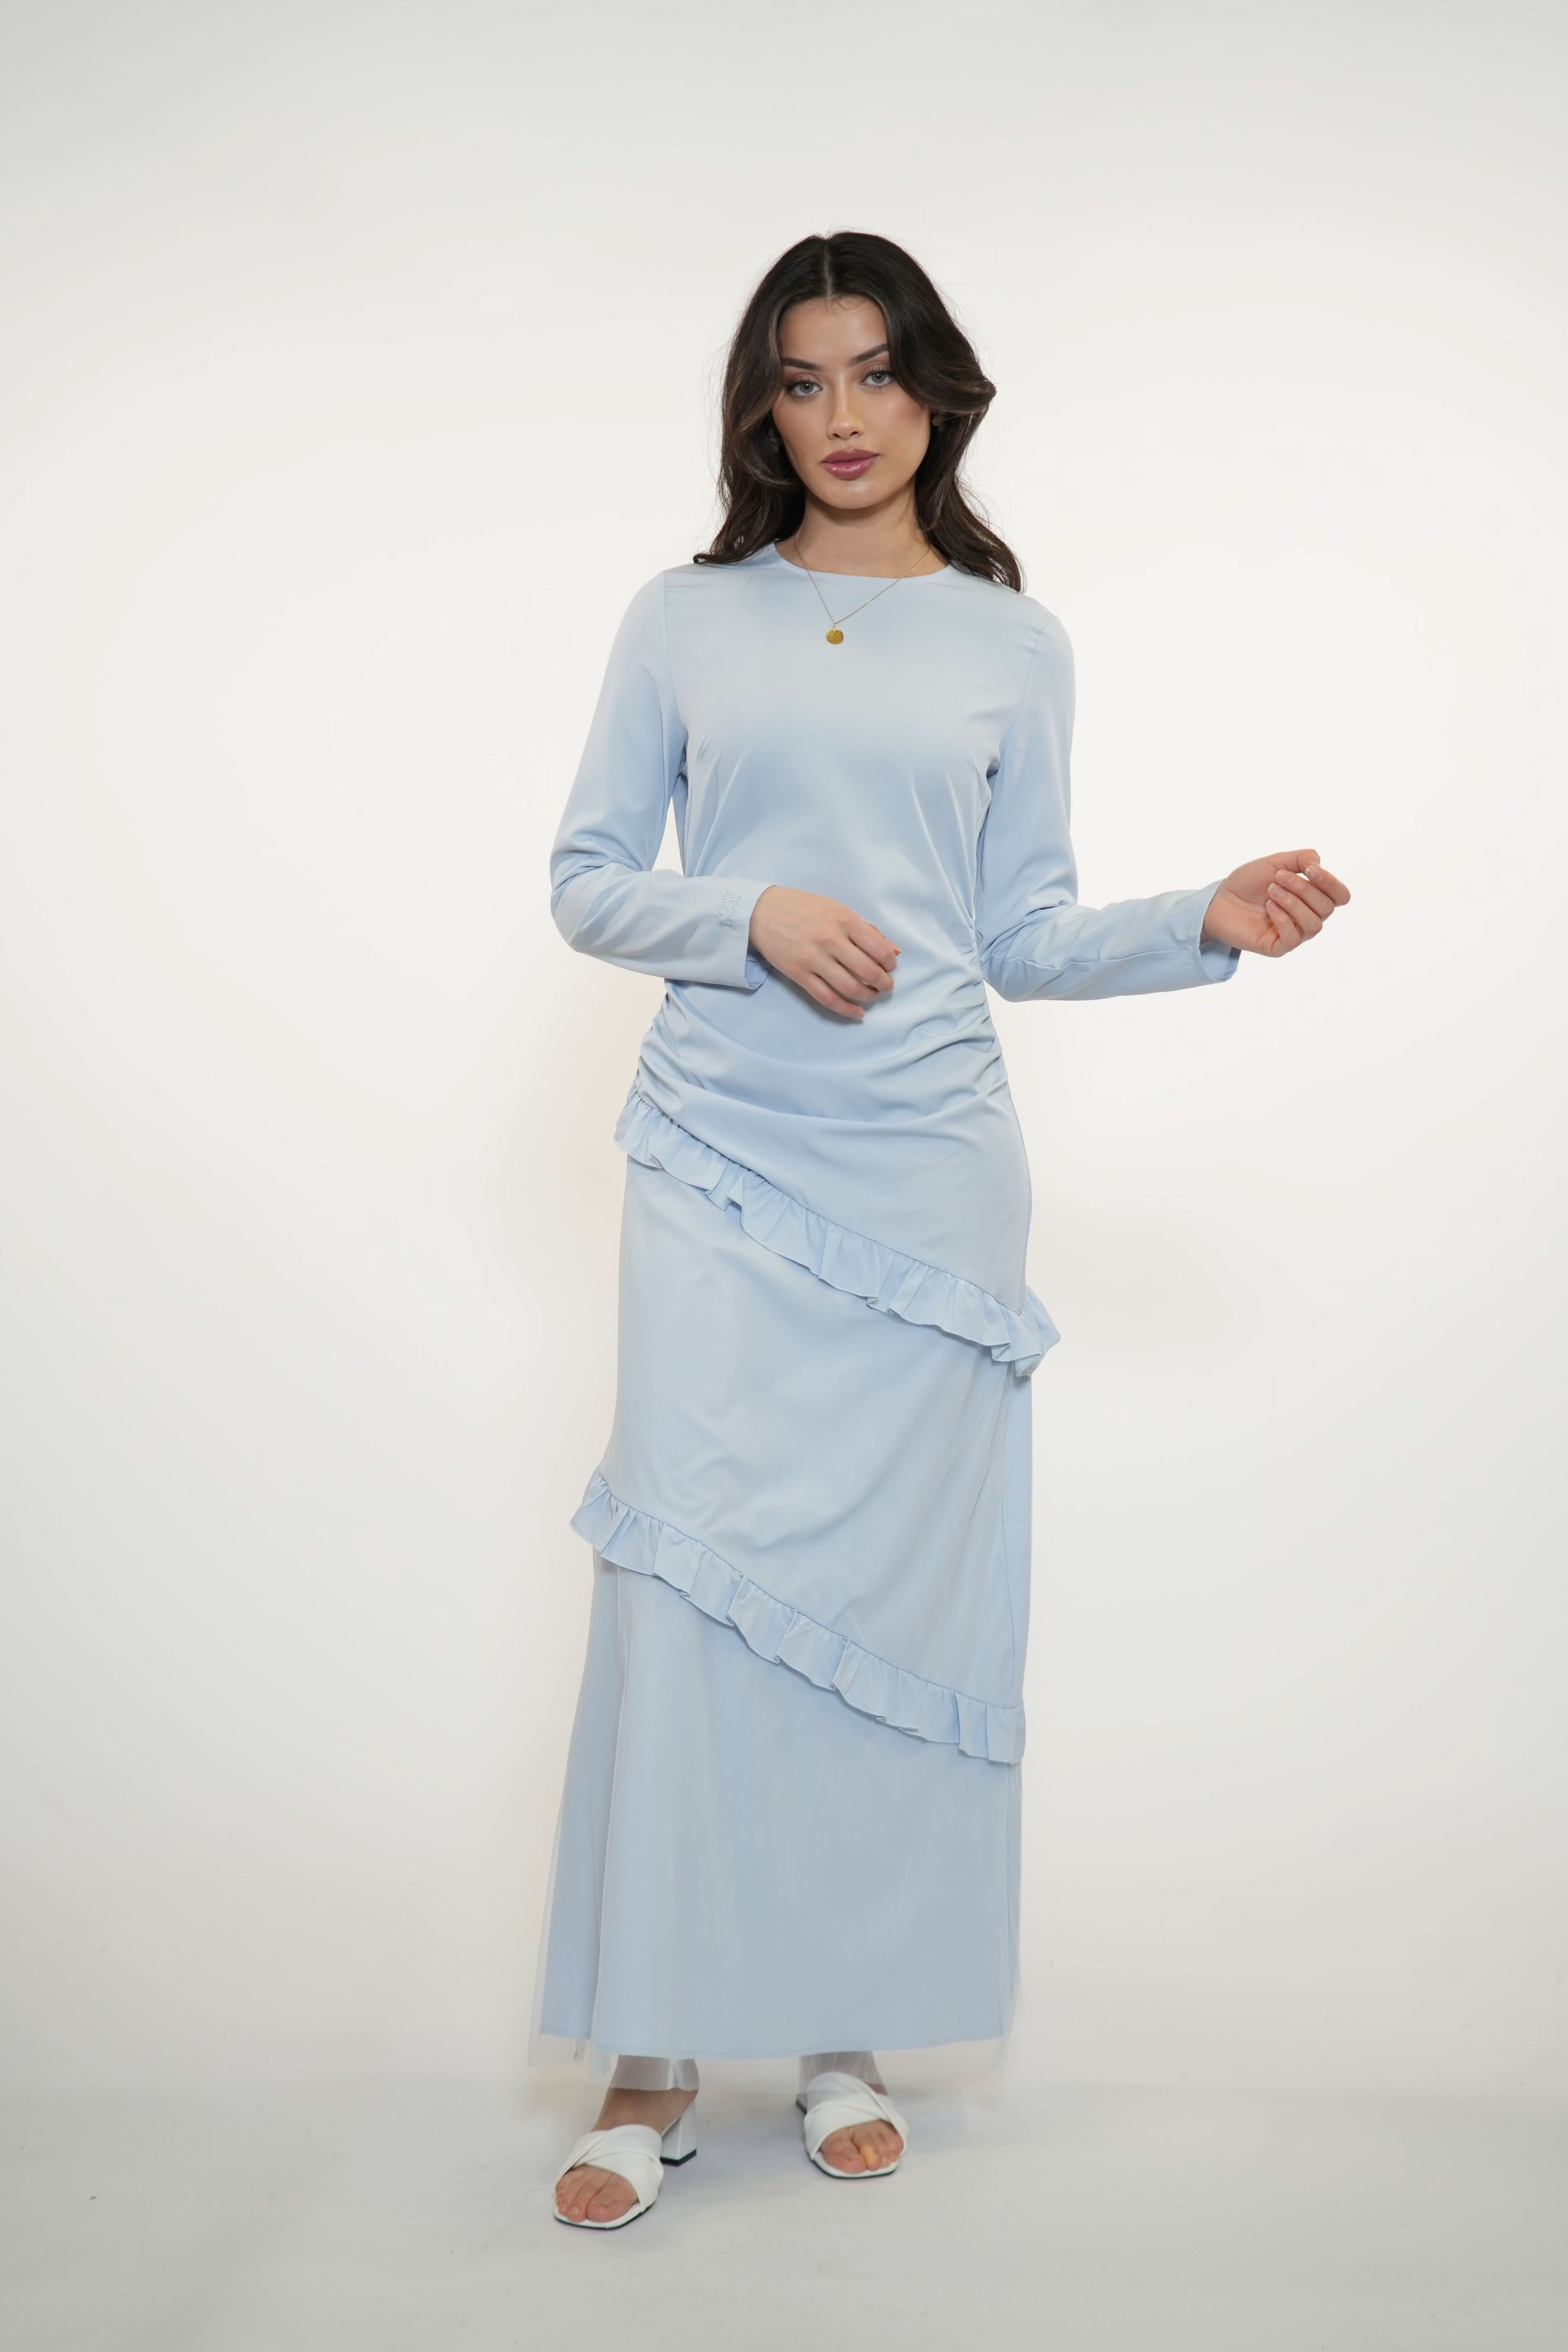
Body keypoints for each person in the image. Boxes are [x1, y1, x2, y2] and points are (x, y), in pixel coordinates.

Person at [534, 229, 1350, 2229]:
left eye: (875, 374)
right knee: (687, 1592)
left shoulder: (1011, 641)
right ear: (762, 407)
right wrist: (744, 910)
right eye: (802, 380)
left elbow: (1018, 932)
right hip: (721, 1155)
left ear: (936, 393)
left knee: (888, 1619)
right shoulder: (682, 617)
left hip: (926, 1175)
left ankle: (845, 2036)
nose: (841, 416)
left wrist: (1196, 920)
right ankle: (650, 2057)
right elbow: (585, 878)